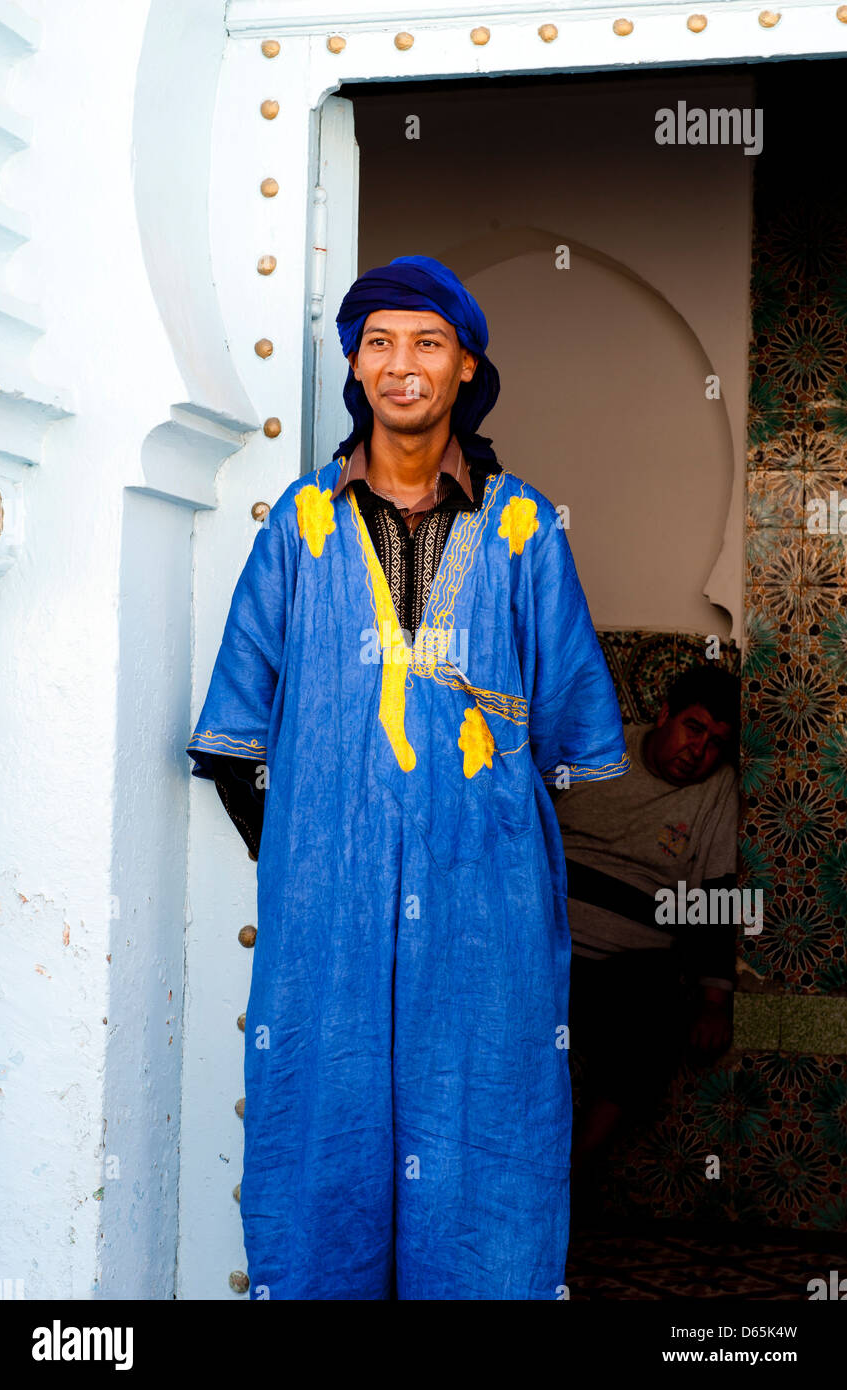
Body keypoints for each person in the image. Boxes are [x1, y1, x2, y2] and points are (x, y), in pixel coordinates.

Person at [185, 254, 630, 1300]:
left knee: (486, 1127)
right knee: (319, 1136)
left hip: (486, 919)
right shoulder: (296, 526)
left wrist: (465, 834)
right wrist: (318, 852)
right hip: (325, 918)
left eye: (427, 342)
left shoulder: (525, 530)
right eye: (379, 342)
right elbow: (231, 740)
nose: (401, 365)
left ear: (466, 368)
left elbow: (570, 736)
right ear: (353, 364)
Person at [550, 665, 740, 1200]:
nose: (698, 750)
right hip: (544, 947)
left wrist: (713, 1001)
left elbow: (718, 897)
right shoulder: (597, 747)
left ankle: (567, 1182)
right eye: (693, 728)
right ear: (664, 716)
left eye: (716, 743)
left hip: (627, 968)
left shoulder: (715, 790)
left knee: (659, 1014)